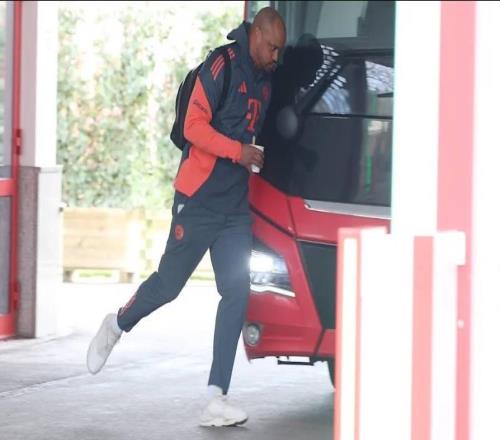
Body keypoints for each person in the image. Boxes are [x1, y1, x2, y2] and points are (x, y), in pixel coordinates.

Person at [86, 7, 286, 428]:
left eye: (279, 50)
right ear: (256, 34)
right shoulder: (221, 65)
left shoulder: (266, 82)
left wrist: (254, 156)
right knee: (168, 285)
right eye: (272, 47)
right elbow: (193, 127)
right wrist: (237, 151)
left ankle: (216, 397)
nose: (276, 56)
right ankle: (117, 324)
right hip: (197, 200)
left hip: (234, 208)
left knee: (237, 291)